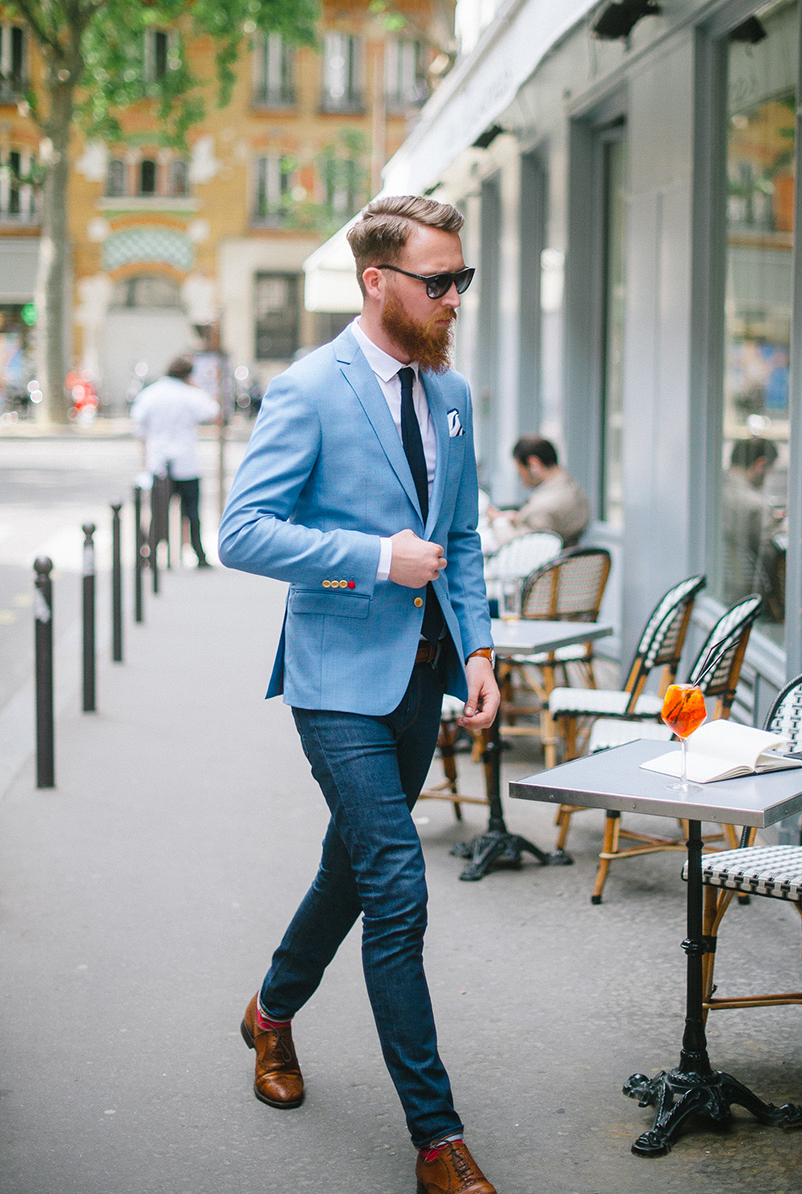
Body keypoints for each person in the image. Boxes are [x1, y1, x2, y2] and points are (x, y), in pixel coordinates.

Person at [218, 195, 500, 1194]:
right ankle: (437, 1136)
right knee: (396, 882)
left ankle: (270, 1007)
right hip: (336, 677)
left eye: (461, 277)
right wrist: (377, 556)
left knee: (350, 868)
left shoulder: (455, 392)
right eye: (439, 279)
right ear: (378, 281)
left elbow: (460, 538)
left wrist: (479, 650)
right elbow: (243, 531)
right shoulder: (308, 388)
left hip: (425, 679)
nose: (455, 296)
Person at [130, 355, 219, 568]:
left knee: (158, 512)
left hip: (159, 462)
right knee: (192, 513)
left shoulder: (151, 394)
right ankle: (199, 555)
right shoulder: (191, 395)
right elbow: (212, 411)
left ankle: (151, 553)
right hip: (187, 463)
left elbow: (139, 425)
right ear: (188, 375)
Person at [486, 435, 590, 548]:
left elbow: (514, 547)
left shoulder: (544, 506)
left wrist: (499, 520)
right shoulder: (572, 487)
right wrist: (518, 518)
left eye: (520, 473)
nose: (522, 482)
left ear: (533, 465)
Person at [721, 435, 784, 615]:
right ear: (760, 465)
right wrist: (774, 527)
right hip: (741, 597)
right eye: (769, 471)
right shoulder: (753, 504)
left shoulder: (710, 487)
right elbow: (767, 559)